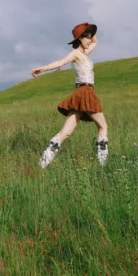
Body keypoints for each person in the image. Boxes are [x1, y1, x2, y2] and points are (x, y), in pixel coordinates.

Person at [30, 22, 108, 168]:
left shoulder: (85, 53)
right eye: (87, 38)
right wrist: (43, 68)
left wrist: (89, 30)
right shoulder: (75, 54)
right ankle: (103, 165)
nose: (90, 40)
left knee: (65, 133)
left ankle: (42, 164)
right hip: (85, 92)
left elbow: (96, 41)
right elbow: (60, 62)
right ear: (80, 39)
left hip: (81, 93)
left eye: (90, 37)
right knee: (103, 127)